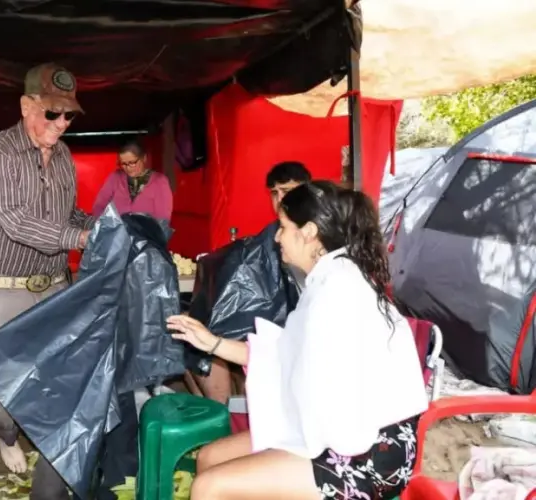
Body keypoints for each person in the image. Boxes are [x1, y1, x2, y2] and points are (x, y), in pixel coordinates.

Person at [167, 181, 427, 499]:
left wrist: (297, 437)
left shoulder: (338, 288)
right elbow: (281, 355)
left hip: (371, 451)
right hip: (336, 429)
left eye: (283, 227)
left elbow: (330, 403)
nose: (276, 237)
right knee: (210, 458)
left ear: (308, 232)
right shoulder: (325, 280)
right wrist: (212, 342)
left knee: (210, 487)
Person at [0, 62, 95, 500]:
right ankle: (5, 437)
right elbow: (17, 223)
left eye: (70, 116)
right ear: (27, 106)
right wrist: (78, 236)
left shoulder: (62, 156)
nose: (61, 125)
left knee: (58, 377)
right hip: (2, 282)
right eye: (53, 114)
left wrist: (99, 226)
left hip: (54, 280)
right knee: (3, 385)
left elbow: (69, 216)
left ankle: (51, 451)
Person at [189, 161, 311, 404]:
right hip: (275, 334)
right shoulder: (273, 237)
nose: (279, 200)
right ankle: (222, 415)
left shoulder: (318, 244)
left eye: (286, 191)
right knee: (198, 336)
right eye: (274, 193)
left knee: (211, 338)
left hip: (300, 344)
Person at [91, 139, 173, 221]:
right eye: (123, 163)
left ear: (144, 158)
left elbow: (163, 220)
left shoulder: (159, 182)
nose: (128, 167)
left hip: (147, 233)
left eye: (132, 162)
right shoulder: (115, 178)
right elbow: (99, 206)